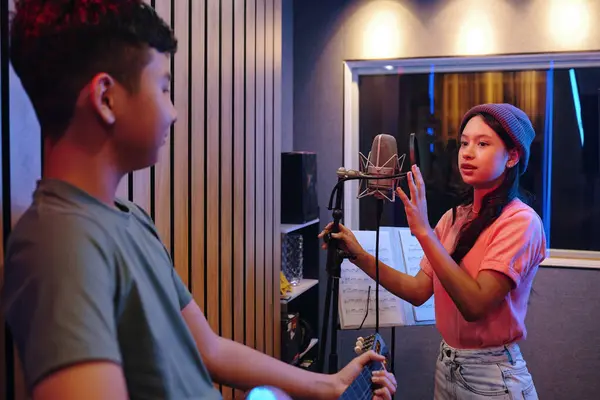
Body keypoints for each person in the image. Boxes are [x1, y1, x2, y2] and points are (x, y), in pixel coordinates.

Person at [1, 1, 397, 400]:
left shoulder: (130, 218)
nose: (172, 113)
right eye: (163, 88)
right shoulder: (59, 246)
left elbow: (209, 349)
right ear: (106, 98)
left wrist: (331, 385)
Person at [320, 103, 546, 399]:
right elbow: (417, 290)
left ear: (512, 157)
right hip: (446, 365)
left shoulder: (521, 222)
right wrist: (358, 254)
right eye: (464, 143)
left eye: (482, 143)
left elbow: (475, 305)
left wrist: (424, 232)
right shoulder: (453, 219)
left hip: (493, 375)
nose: (467, 152)